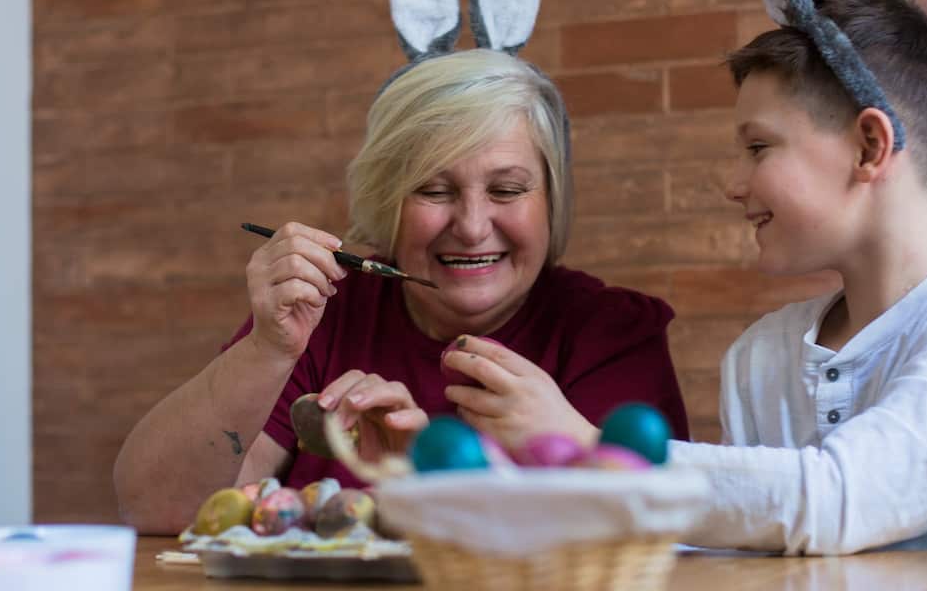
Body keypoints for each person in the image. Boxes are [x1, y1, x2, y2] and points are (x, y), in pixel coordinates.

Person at [113, 47, 690, 534]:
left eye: (507, 190)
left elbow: (639, 535)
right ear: (387, 203)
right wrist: (269, 349)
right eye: (434, 191)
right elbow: (160, 509)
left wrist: (418, 482)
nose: (471, 225)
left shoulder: (610, 333)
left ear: (552, 201)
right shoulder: (326, 313)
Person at [667, 0, 927, 591]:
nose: (734, 182)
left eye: (758, 147)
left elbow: (837, 497)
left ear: (869, 147)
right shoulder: (759, 355)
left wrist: (597, 456)